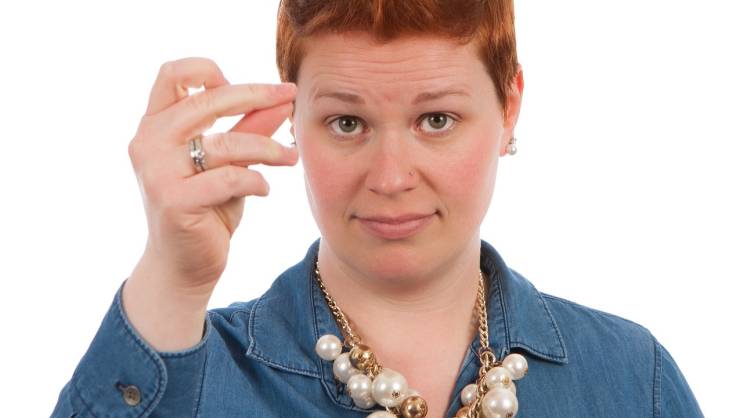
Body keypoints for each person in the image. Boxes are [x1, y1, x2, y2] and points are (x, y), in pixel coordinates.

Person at [51, 1, 704, 417]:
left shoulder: (630, 378)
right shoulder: (193, 379)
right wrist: (172, 278)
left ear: (508, 109)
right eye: (347, 123)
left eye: (436, 119)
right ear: (292, 117)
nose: (391, 178)